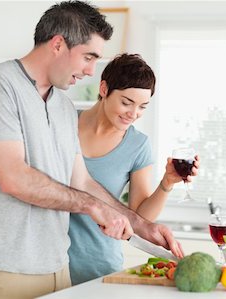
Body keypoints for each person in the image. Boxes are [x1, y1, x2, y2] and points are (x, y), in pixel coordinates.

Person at [0, 2, 183, 298]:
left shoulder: (63, 106)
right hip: (6, 264)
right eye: (88, 57)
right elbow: (13, 177)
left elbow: (82, 181)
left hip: (56, 264)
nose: (91, 70)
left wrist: (141, 225)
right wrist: (93, 207)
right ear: (58, 44)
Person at [68, 53, 199, 285]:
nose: (134, 113)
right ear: (104, 88)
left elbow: (139, 218)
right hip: (51, 262)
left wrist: (166, 183)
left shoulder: (137, 145)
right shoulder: (65, 124)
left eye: (142, 107)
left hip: (99, 264)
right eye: (127, 102)